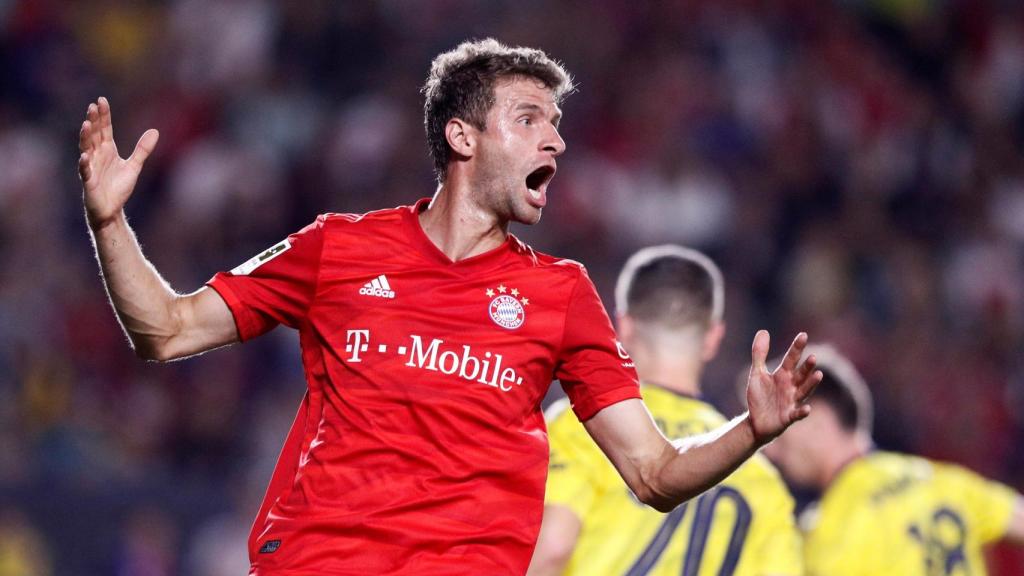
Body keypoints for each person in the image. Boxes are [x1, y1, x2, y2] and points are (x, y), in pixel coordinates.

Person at [77, 38, 821, 574]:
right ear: (462, 136)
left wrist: (751, 430)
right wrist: (110, 222)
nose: (556, 140)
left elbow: (654, 471)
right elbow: (167, 331)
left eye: (556, 124)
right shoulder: (338, 248)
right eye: (530, 118)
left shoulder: (560, 294)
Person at [529, 245, 803, 576]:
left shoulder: (583, 426)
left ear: (623, 327)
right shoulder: (757, 471)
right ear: (714, 338)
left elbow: (551, 550)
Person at [765, 344, 1024, 576]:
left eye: (779, 431)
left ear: (817, 421)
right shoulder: (938, 479)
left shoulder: (832, 533)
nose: (770, 451)